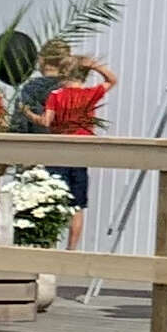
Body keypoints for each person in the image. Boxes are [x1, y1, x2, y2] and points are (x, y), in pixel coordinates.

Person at [33, 45, 118, 246]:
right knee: (77, 205)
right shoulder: (90, 94)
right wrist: (94, 65)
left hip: (58, 150)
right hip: (81, 152)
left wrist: (30, 115)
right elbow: (112, 80)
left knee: (53, 198)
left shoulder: (56, 95)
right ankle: (72, 249)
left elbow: (46, 121)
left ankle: (49, 244)